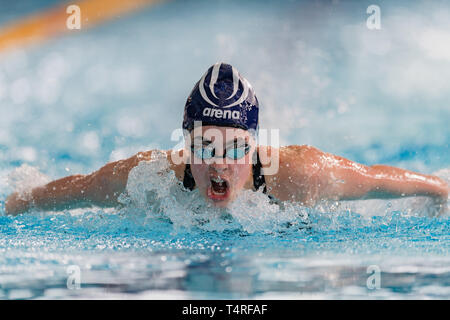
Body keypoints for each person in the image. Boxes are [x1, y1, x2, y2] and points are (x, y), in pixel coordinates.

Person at [4, 63, 449, 216]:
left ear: (254, 146)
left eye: (235, 149)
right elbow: (75, 190)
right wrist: (20, 199)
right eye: (203, 147)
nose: (218, 165)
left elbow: (377, 179)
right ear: (184, 145)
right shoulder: (148, 178)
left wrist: (440, 187)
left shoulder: (303, 175)